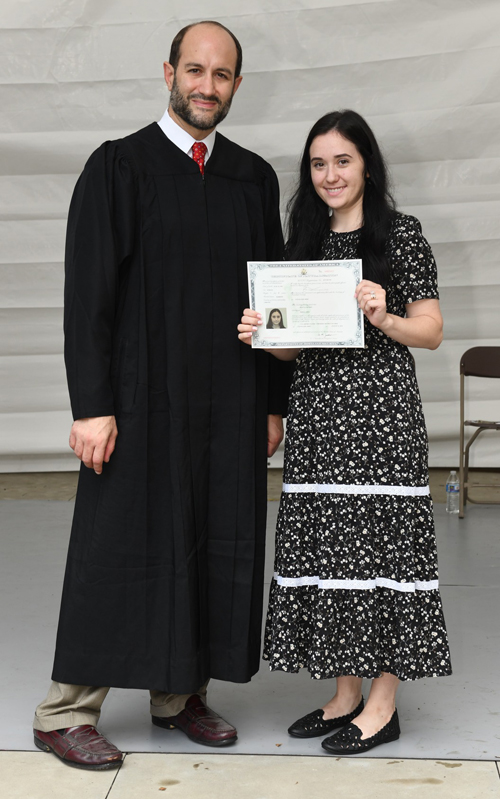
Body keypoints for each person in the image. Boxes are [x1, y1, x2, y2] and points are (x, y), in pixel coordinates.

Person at [33, 20, 291, 770]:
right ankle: (65, 711)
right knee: (119, 545)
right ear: (169, 71)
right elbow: (89, 299)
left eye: (223, 75)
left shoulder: (252, 176)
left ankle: (180, 693)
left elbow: (270, 296)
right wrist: (91, 404)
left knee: (212, 539)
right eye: (196, 70)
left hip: (229, 401)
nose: (207, 86)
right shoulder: (119, 167)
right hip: (141, 402)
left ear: (236, 85)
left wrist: (273, 402)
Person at [238, 109, 452, 754]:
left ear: (367, 166)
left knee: (382, 554)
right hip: (320, 414)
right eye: (318, 163)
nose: (330, 175)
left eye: (343, 161)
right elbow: (290, 351)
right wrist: (262, 335)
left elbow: (432, 332)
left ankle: (383, 704)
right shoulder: (301, 240)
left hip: (382, 415)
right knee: (330, 550)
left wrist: (384, 314)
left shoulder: (401, 236)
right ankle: (345, 694)